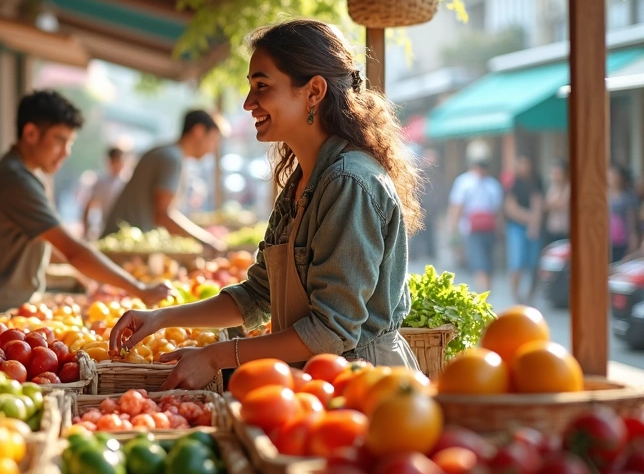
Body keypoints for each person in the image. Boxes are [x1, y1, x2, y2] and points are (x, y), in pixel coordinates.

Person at [109, 19, 422, 389]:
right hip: (315, 382)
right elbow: (258, 296)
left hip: (366, 386)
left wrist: (216, 356)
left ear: (314, 91)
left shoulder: (348, 183)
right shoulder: (302, 181)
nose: (247, 103)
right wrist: (161, 318)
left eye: (262, 86)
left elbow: (331, 331)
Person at [0, 90, 175, 320]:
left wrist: (86, 276)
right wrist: (140, 289)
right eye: (60, 140)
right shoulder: (15, 180)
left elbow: (49, 242)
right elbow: (73, 251)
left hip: (3, 308)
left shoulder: (23, 174)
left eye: (70, 143)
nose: (66, 152)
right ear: (30, 133)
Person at [103, 110, 228, 252]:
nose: (213, 149)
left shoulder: (165, 152)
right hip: (123, 248)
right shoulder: (171, 158)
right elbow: (162, 215)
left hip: (124, 245)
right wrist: (206, 241)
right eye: (213, 140)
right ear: (198, 131)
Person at [447, 142, 503, 293]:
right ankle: (485, 292)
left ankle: (485, 293)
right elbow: (457, 209)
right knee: (480, 264)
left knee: (485, 264)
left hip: (486, 229)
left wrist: (453, 231)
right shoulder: (469, 182)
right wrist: (453, 232)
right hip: (472, 230)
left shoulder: (485, 184)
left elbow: (498, 212)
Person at [504, 155, 544, 303]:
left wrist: (534, 222)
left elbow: (539, 203)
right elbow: (511, 208)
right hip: (517, 226)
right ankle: (516, 295)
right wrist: (531, 218)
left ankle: (530, 296)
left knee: (534, 263)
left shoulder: (536, 181)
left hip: (534, 226)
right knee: (517, 262)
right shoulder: (513, 182)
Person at [80, 146, 128, 239]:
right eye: (116, 161)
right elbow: (89, 206)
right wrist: (86, 231)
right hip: (105, 228)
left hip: (124, 228)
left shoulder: (126, 182)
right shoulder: (101, 183)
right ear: (110, 161)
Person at [610, 163, 639, 263]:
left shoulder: (628, 197)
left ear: (621, 178)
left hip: (622, 240)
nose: (611, 178)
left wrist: (633, 239)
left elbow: (631, 220)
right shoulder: (605, 196)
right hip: (608, 239)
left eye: (614, 175)